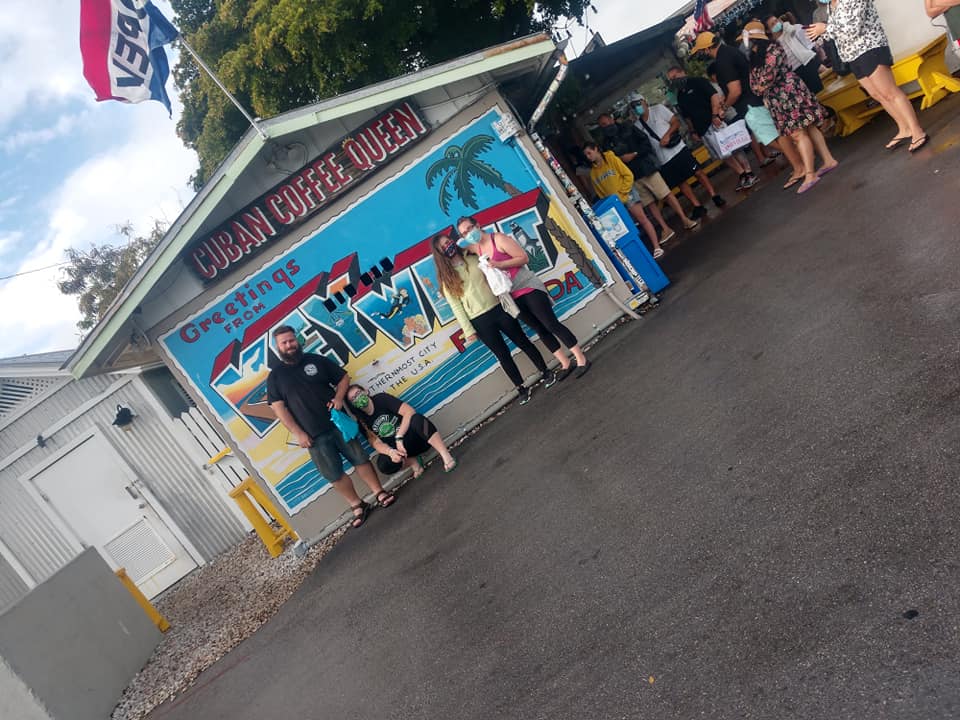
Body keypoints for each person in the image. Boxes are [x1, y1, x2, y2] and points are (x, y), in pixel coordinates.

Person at [267, 325, 395, 529]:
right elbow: (279, 409)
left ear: (297, 341)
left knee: (360, 459)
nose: (289, 345)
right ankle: (357, 505)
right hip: (311, 436)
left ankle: (379, 492)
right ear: (277, 347)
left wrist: (338, 398)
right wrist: (298, 433)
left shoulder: (315, 360)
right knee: (333, 474)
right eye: (284, 342)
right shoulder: (275, 377)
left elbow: (344, 378)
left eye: (291, 340)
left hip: (338, 423)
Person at [457, 215, 591, 379]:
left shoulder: (498, 239)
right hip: (511, 297)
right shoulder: (474, 249)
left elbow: (523, 258)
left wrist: (499, 264)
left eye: (470, 229)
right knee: (539, 329)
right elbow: (455, 251)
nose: (468, 234)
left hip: (527, 287)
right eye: (464, 234)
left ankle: (580, 357)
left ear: (477, 225)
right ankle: (564, 362)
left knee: (550, 324)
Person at [431, 232, 554, 404]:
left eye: (448, 242)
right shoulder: (446, 278)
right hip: (480, 320)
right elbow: (456, 307)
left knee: (523, 341)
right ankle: (521, 388)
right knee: (502, 355)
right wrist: (469, 331)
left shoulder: (473, 256)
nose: (448, 247)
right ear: (440, 254)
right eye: (443, 247)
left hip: (499, 308)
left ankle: (545, 371)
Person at [692, 30, 808, 189]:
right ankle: (800, 163)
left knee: (772, 137)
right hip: (753, 100)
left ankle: (800, 165)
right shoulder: (730, 51)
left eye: (700, 51)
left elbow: (735, 90)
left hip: (748, 104)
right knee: (773, 136)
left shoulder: (722, 60)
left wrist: (724, 107)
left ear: (706, 49)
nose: (701, 55)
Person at [807, 0, 928, 152]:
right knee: (877, 95)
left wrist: (825, 28)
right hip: (852, 55)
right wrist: (819, 34)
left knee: (889, 92)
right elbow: (836, 33)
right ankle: (904, 128)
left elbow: (852, 28)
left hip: (870, 47)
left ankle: (917, 131)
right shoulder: (831, 6)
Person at [747, 22, 839, 194]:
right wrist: (760, 86)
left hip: (788, 93)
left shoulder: (773, 49)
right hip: (778, 98)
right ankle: (828, 160)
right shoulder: (756, 57)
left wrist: (761, 86)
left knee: (799, 133)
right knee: (807, 128)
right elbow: (754, 84)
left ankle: (810, 174)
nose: (748, 44)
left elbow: (768, 76)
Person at [596, 113, 700, 243]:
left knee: (665, 193)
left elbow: (645, 142)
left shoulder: (628, 127)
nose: (606, 127)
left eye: (606, 123)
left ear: (611, 119)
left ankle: (684, 219)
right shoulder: (606, 142)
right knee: (649, 204)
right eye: (602, 126)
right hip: (630, 176)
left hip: (645, 167)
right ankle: (665, 228)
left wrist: (635, 154)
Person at [630, 92, 726, 216]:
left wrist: (667, 135)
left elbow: (675, 122)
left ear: (644, 102)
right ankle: (697, 205)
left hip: (678, 149)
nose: (637, 107)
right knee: (680, 182)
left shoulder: (658, 109)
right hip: (663, 158)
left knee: (697, 172)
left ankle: (714, 194)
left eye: (638, 103)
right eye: (634, 105)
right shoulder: (637, 125)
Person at [667, 66, 756, 190]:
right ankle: (741, 174)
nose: (674, 81)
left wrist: (715, 114)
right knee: (722, 154)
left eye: (675, 77)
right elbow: (687, 116)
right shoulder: (680, 96)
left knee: (733, 147)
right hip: (702, 129)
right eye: (671, 79)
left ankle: (749, 171)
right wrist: (692, 130)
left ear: (682, 73)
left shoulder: (698, 81)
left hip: (715, 122)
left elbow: (714, 96)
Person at [346, 384, 457, 477]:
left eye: (358, 393)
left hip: (416, 438)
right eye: (353, 399)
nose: (357, 398)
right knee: (383, 464)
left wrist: (399, 437)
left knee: (417, 419)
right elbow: (376, 443)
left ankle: (445, 454)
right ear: (353, 405)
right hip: (402, 452)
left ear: (365, 391)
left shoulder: (381, 399)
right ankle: (413, 461)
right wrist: (391, 452)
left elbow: (409, 411)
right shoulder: (362, 421)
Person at [582, 142, 667, 258]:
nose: (588, 157)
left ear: (596, 149)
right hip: (614, 203)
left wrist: (622, 192)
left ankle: (656, 246)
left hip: (627, 195)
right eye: (586, 155)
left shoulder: (612, 159)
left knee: (642, 219)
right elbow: (600, 192)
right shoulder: (593, 173)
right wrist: (610, 202)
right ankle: (643, 252)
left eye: (589, 153)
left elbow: (628, 175)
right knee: (627, 227)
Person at [766, 14, 824, 93]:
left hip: (806, 64)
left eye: (776, 21)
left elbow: (794, 30)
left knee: (820, 89)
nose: (776, 24)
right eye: (772, 24)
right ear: (768, 30)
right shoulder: (773, 44)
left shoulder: (789, 31)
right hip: (795, 72)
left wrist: (785, 24)